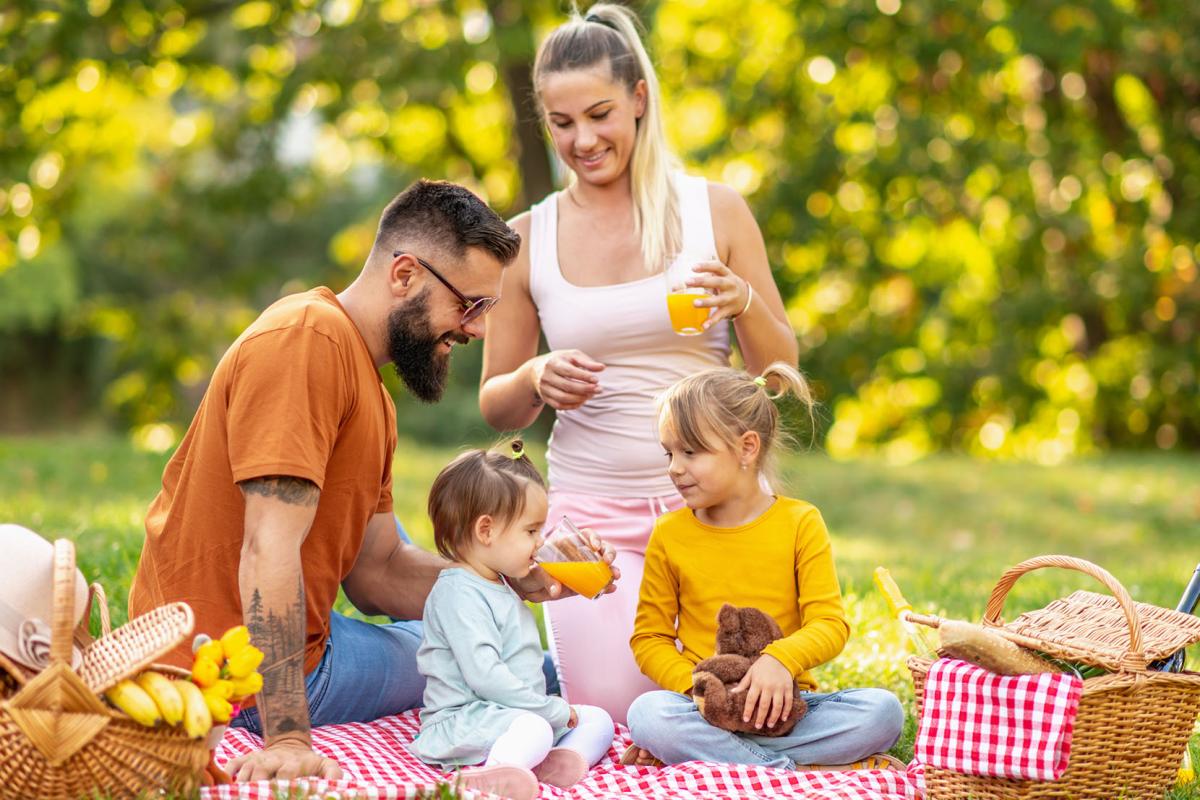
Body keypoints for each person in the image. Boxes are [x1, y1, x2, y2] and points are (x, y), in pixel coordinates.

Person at [128, 180, 609, 783]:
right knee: (527, 675)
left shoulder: (370, 394)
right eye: (471, 305)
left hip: (306, 644)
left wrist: (517, 575)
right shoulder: (306, 341)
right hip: (225, 672)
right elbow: (266, 546)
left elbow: (379, 571)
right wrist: (288, 738)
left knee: (493, 653)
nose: (478, 330)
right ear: (405, 274)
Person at [478, 3, 799, 725]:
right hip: (592, 526)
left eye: (600, 115)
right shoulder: (529, 238)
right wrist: (534, 378)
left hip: (718, 515)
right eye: (562, 124)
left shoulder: (714, 210)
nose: (583, 140)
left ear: (640, 100)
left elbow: (780, 371)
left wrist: (744, 300)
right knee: (630, 710)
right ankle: (542, 670)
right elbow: (495, 405)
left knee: (733, 702)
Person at [623, 363, 905, 770]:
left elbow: (829, 623)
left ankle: (729, 761)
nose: (674, 467)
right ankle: (796, 772)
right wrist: (699, 688)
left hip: (787, 707)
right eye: (669, 453)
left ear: (747, 448)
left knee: (883, 712)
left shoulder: (800, 522)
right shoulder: (669, 533)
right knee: (648, 715)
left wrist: (779, 661)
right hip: (705, 710)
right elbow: (650, 638)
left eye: (690, 451)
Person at [411, 441, 614, 800]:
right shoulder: (459, 593)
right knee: (535, 727)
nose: (540, 544)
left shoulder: (500, 583)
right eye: (531, 531)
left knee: (598, 720)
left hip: (511, 714)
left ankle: (553, 763)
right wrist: (550, 709)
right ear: (486, 531)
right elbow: (485, 677)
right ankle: (496, 774)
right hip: (464, 720)